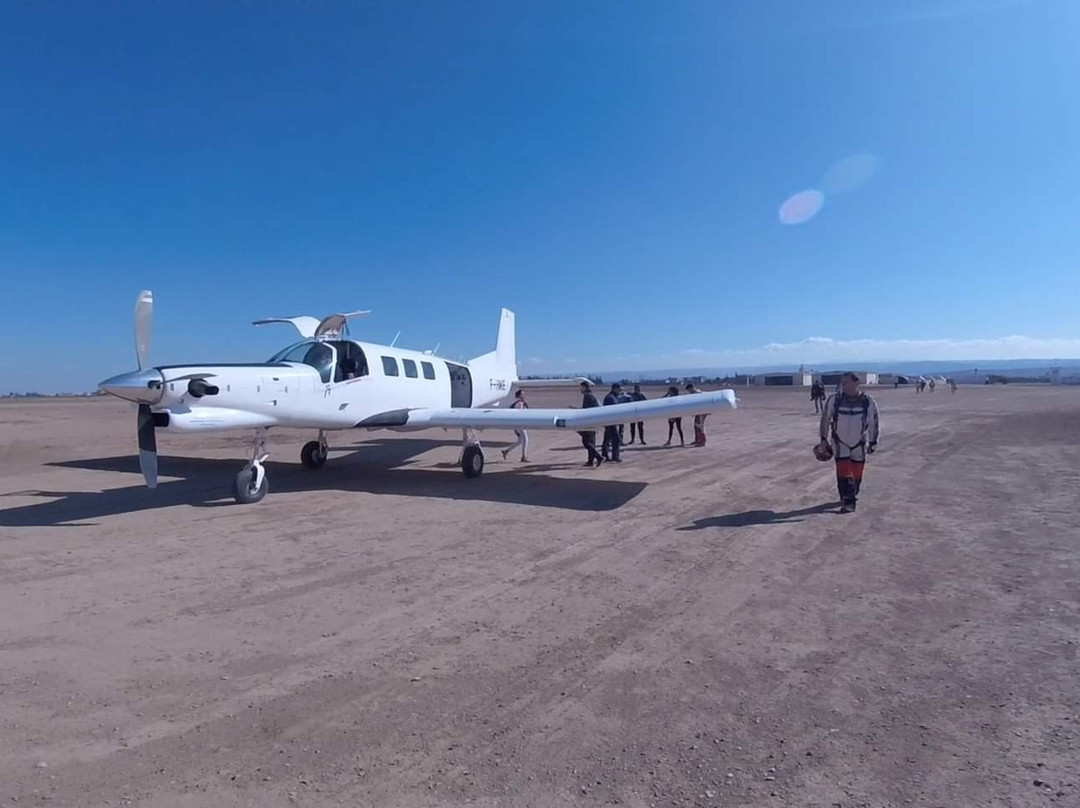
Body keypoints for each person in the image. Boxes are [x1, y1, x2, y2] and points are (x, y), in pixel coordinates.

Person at [817, 372, 880, 514]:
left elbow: (874, 422)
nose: (842, 385)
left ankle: (851, 493)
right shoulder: (834, 400)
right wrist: (823, 439)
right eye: (842, 383)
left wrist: (873, 441)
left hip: (860, 442)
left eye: (846, 383)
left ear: (856, 384)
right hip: (840, 441)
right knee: (843, 471)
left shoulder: (867, 401)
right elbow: (825, 419)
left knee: (857, 473)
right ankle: (848, 500)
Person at [578, 381, 604, 467]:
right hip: (593, 422)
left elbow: (587, 410)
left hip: (589, 423)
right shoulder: (591, 396)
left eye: (581, 387)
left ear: (585, 387)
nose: (580, 389)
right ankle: (590, 461)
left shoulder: (588, 396)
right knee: (591, 442)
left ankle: (598, 457)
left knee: (586, 442)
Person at [501, 389, 529, 462]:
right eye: (522, 394)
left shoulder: (518, 403)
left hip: (517, 425)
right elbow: (520, 414)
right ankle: (524, 456)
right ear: (519, 395)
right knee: (525, 439)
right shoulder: (519, 403)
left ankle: (506, 451)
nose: (524, 395)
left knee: (520, 441)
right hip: (519, 424)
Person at [601, 383, 622, 462]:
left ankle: (605, 455)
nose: (620, 391)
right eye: (619, 389)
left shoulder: (612, 397)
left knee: (607, 439)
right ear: (614, 389)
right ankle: (615, 456)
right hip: (610, 422)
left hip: (610, 421)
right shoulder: (610, 398)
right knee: (616, 439)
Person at [686, 382, 708, 446]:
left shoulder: (699, 393)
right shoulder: (694, 394)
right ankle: (697, 440)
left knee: (700, 426)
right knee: (696, 426)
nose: (689, 392)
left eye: (689, 390)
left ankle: (702, 441)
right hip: (698, 412)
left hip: (702, 412)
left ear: (692, 388)